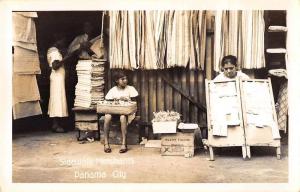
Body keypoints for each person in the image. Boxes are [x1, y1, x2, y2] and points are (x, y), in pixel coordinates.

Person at [103, 71, 139, 153]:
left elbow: (135, 104)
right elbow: (107, 101)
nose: (125, 80)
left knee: (122, 117)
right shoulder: (113, 90)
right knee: (107, 116)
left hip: (127, 112)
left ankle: (124, 144)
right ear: (116, 81)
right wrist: (117, 100)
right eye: (123, 79)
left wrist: (127, 100)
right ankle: (106, 143)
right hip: (115, 112)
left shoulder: (130, 89)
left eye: (126, 78)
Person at [47, 33, 68, 133]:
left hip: (57, 78)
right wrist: (66, 58)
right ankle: (56, 125)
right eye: (63, 40)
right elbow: (55, 66)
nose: (64, 43)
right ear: (58, 40)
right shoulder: (54, 51)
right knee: (57, 100)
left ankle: (56, 124)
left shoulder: (52, 50)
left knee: (56, 99)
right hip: (57, 78)